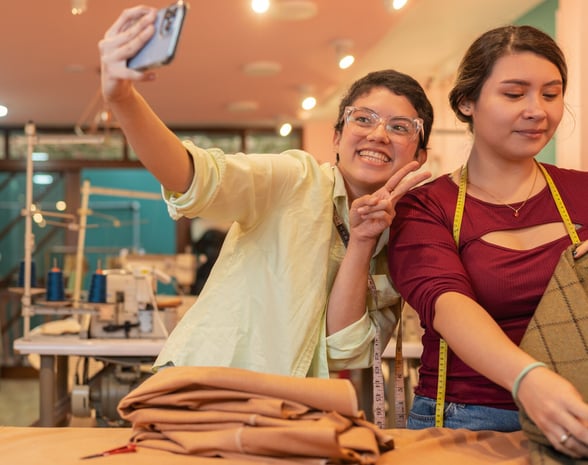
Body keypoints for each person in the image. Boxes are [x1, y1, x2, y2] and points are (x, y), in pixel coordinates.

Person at [99, 6, 433, 379]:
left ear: (419, 156)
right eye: (363, 118)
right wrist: (123, 99)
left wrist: (362, 241)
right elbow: (195, 177)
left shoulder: (402, 243)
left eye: (400, 126)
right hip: (209, 387)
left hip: (291, 408)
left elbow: (344, 350)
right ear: (337, 137)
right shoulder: (295, 179)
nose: (378, 134)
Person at [388, 24, 588, 457]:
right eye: (514, 94)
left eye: (551, 94)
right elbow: (449, 304)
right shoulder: (426, 206)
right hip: (467, 418)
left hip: (578, 411)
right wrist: (528, 379)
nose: (537, 110)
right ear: (467, 102)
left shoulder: (584, 193)